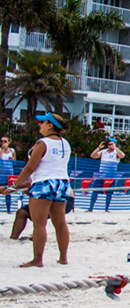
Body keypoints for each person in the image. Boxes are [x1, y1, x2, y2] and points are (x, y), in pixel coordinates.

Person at [4, 113, 72, 267]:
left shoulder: (42, 143)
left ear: (50, 125)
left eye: (42, 122)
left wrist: (15, 185)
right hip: (62, 183)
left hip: (43, 183)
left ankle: (38, 259)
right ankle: (63, 258)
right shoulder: (65, 143)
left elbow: (30, 168)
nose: (39, 125)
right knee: (60, 223)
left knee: (39, 224)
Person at [10, 184, 74, 240]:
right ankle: (16, 238)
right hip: (63, 197)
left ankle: (36, 238)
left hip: (60, 198)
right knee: (24, 213)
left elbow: (30, 183)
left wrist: (11, 187)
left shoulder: (42, 173)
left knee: (37, 218)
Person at [88, 137, 124, 212]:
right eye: (108, 143)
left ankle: (107, 208)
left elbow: (122, 155)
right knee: (95, 191)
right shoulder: (103, 152)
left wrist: (115, 148)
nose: (109, 145)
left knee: (109, 193)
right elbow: (93, 156)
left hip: (111, 176)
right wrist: (99, 147)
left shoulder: (116, 153)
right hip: (101, 175)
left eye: (111, 143)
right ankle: (91, 208)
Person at [1, 136, 16, 213]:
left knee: (8, 190)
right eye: (1, 141)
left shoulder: (12, 150)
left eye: (5, 141)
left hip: (9, 173)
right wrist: (2, 150)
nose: (3, 143)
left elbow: (14, 161)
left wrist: (12, 159)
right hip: (1, 173)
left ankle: (8, 209)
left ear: (9, 142)